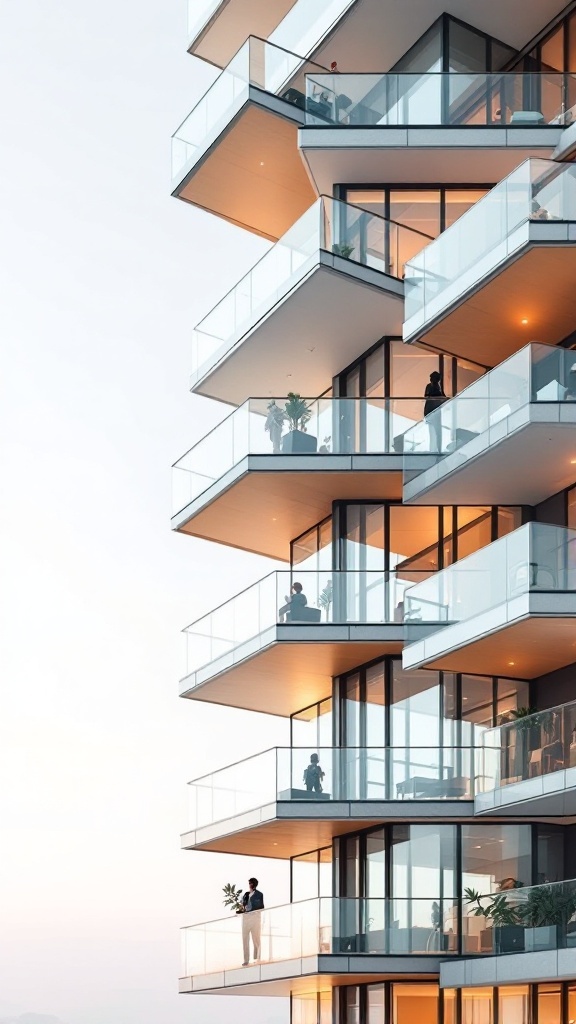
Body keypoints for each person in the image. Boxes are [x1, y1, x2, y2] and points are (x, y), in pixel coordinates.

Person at [238, 877, 264, 966]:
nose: (250, 885)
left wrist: (252, 910)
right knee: (245, 939)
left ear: (255, 884)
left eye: (251, 883)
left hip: (255, 919)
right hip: (245, 919)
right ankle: (246, 960)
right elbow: (242, 906)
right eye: (249, 883)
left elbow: (261, 907)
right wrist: (241, 910)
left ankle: (257, 958)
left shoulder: (259, 894)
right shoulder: (245, 894)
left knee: (256, 939)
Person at [423, 370, 446, 453]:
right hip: (431, 411)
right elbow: (427, 396)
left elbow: (443, 397)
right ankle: (433, 450)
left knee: (437, 432)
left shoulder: (438, 387)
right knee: (433, 432)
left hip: (436, 411)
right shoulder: (429, 386)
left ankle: (438, 450)